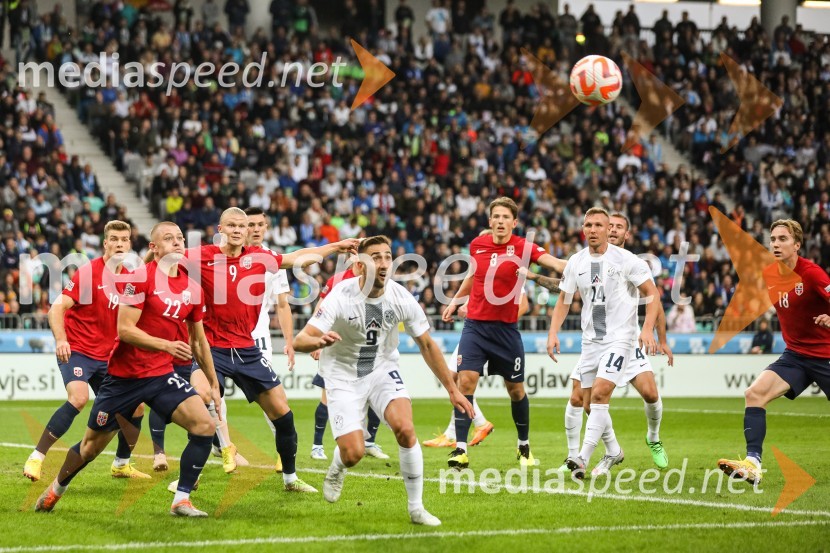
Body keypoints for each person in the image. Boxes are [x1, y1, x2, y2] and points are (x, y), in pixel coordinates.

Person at [36, 222, 223, 517]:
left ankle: (181, 500)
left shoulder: (192, 288)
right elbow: (124, 330)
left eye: (180, 238)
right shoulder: (140, 279)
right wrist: (166, 346)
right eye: (168, 238)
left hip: (161, 375)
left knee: (204, 426)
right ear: (154, 248)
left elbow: (199, 341)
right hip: (124, 379)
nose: (176, 242)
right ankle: (56, 488)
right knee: (89, 449)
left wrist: (213, 383)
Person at [293, 236, 473, 526]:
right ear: (359, 266)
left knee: (405, 428)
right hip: (342, 372)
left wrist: (452, 390)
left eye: (387, 256)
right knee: (354, 453)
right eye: (375, 257)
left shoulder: (400, 297)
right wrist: (319, 340)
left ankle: (416, 508)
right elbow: (299, 340)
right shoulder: (341, 295)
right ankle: (339, 465)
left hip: (380, 368)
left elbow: (427, 344)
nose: (384, 263)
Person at [186, 207, 358, 493]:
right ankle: (194, 473)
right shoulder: (201, 256)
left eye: (242, 226)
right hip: (212, 348)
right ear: (220, 229)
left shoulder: (261, 258)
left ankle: (290, 479)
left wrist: (336, 247)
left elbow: (297, 258)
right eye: (232, 225)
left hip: (247, 349)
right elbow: (162, 260)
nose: (239, 230)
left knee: (283, 414)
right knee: (203, 395)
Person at [442, 197, 566, 469]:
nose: (500, 221)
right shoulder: (477, 245)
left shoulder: (524, 247)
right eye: (495, 216)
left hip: (506, 332)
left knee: (516, 390)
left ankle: (523, 446)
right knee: (466, 383)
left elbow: (555, 264)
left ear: (515, 222)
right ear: (490, 221)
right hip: (475, 326)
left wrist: (584, 266)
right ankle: (460, 450)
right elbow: (472, 276)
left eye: (505, 217)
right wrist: (454, 301)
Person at [24, 221, 150, 482]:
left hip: (109, 358)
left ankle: (121, 464)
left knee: (136, 407)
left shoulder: (129, 277)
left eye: (124, 240)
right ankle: (37, 458)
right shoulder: (88, 273)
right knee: (79, 398)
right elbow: (55, 309)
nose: (119, 244)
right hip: (79, 351)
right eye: (113, 239)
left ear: (130, 244)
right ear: (105, 243)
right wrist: (61, 340)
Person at [552, 212, 673, 474]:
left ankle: (586, 456)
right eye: (589, 225)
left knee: (638, 393)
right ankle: (612, 451)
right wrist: (553, 333)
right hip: (592, 342)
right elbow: (564, 294)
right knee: (586, 402)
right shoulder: (579, 261)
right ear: (583, 228)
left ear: (616, 232)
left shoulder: (630, 261)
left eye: (605, 226)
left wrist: (653, 333)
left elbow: (654, 297)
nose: (596, 229)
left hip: (624, 340)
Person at [718, 220, 830, 485]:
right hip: (796, 356)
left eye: (782, 239)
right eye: (773, 239)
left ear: (797, 245)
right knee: (754, 393)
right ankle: (753, 464)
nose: (776, 244)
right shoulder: (769, 275)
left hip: (826, 354)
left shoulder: (812, 274)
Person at [424, 229, 530, 449]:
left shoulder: (510, 271)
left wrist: (502, 319)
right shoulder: (478, 273)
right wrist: (460, 306)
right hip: (475, 332)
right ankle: (463, 429)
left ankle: (466, 429)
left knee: (459, 380)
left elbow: (524, 304)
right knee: (455, 379)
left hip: (499, 334)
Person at [308, 260, 389, 461]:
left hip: (366, 346)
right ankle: (317, 445)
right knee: (327, 397)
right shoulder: (337, 280)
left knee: (375, 394)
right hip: (337, 346)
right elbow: (321, 307)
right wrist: (317, 340)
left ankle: (369, 442)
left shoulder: (376, 280)